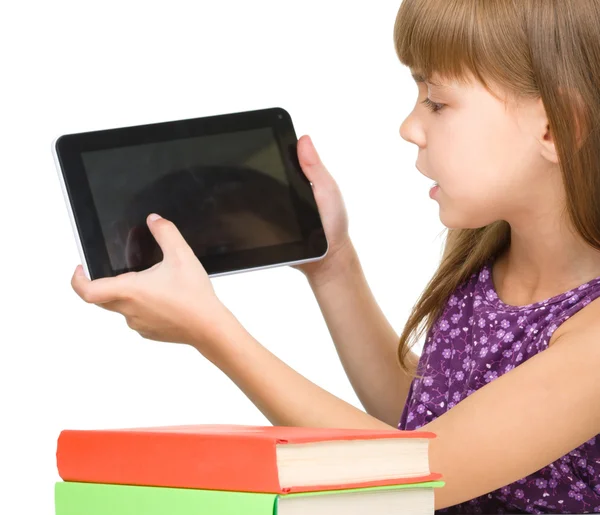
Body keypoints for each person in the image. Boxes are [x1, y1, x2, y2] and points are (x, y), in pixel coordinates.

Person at [70, 0, 600, 512]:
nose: (409, 127)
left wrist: (213, 331)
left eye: (436, 101)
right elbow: (427, 422)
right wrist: (333, 265)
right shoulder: (487, 257)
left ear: (555, 126)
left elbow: (421, 473)